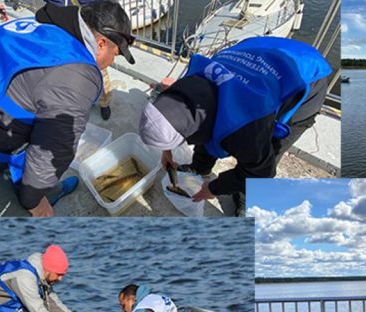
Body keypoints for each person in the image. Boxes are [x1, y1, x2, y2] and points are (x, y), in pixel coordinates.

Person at [0, 0, 135, 216]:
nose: (111, 62)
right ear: (101, 43)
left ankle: (47, 191)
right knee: (23, 219)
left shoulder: (38, 26)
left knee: (38, 172)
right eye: (115, 55)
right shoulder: (77, 76)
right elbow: (54, 150)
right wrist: (33, 201)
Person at [138, 36, 332, 216]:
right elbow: (184, 122)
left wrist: (215, 188)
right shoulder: (187, 88)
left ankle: (247, 196)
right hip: (261, 52)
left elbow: (262, 171)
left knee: (270, 150)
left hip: (306, 74)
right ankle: (200, 167)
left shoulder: (244, 125)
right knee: (208, 127)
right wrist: (167, 151)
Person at [44, 0, 115, 120]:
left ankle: (105, 103)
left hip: (87, 30)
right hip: (62, 35)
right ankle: (88, 99)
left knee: (100, 71)